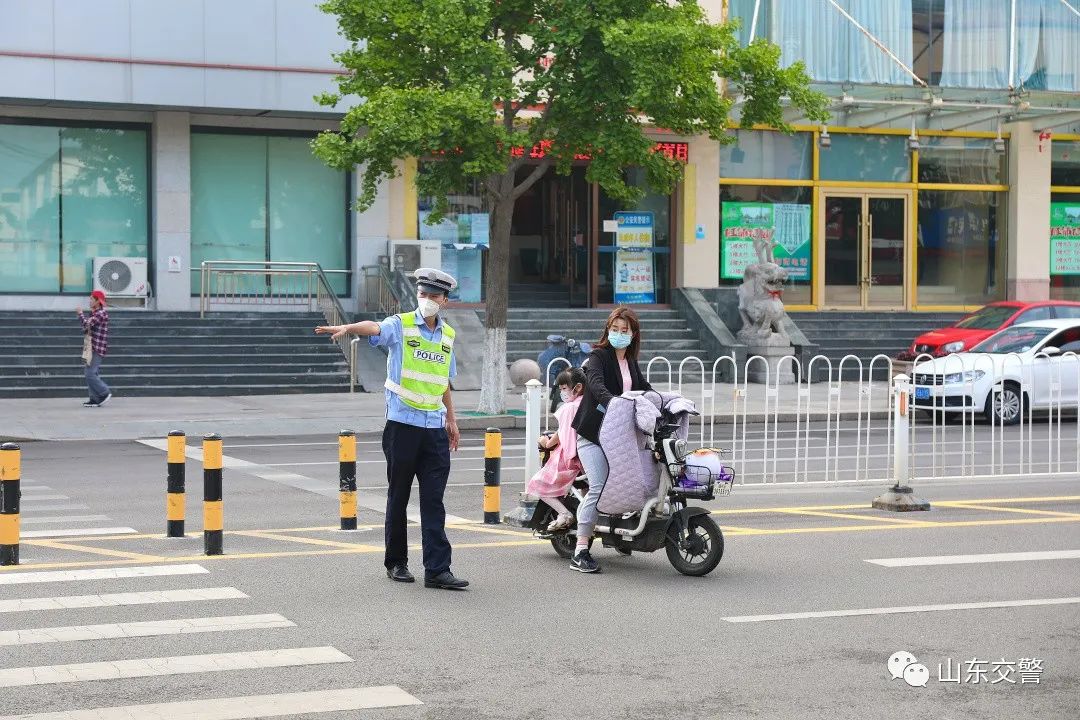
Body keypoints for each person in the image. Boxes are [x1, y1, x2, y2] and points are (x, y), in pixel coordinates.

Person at [315, 268, 468, 590]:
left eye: (434, 296)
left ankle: (438, 570)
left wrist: (451, 421)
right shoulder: (401, 325)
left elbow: (443, 383)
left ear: (445, 301)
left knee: (434, 501)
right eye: (423, 294)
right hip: (403, 426)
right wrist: (348, 326)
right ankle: (396, 562)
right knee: (399, 496)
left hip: (435, 429)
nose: (427, 300)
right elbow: (375, 327)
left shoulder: (448, 336)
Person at [570, 307, 652, 573]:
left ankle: (619, 532)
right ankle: (581, 550)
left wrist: (664, 402)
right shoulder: (598, 356)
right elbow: (596, 384)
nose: (618, 334)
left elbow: (645, 389)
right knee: (600, 486)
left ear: (633, 334)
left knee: (633, 482)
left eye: (624, 330)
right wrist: (614, 403)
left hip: (619, 437)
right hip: (593, 436)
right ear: (607, 330)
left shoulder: (630, 361)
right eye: (614, 329)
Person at [525, 367, 586, 531]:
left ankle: (564, 513)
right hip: (587, 457)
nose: (562, 393)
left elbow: (562, 435)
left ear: (578, 387)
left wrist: (546, 442)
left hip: (569, 459)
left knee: (537, 485)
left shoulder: (569, 408)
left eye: (564, 388)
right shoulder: (587, 403)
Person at [77, 290, 112, 408]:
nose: (90, 301)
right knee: (91, 372)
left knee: (90, 373)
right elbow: (87, 328)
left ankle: (104, 392)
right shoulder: (95, 313)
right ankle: (94, 398)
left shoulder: (101, 313)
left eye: (92, 299)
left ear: (98, 301)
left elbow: (86, 324)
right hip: (92, 347)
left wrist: (80, 314)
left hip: (97, 347)